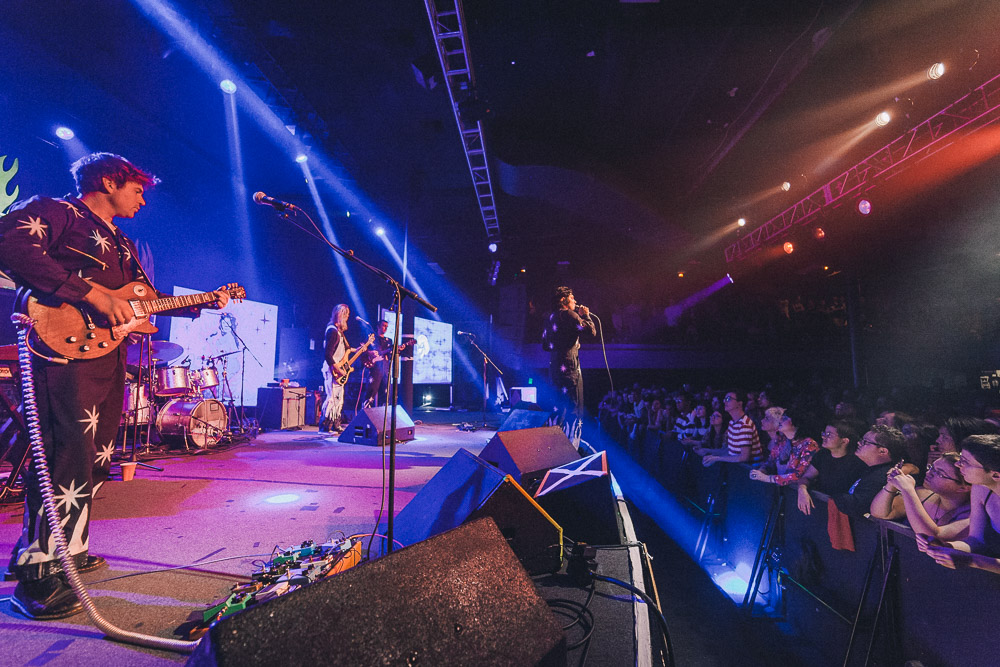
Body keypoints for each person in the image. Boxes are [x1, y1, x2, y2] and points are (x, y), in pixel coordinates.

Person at [0, 152, 230, 619]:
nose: (143, 199)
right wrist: (89, 294)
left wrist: (206, 302)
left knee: (96, 454)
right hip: (62, 347)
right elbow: (8, 242)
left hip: (105, 353)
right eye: (138, 189)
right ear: (109, 180)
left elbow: (144, 301)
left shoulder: (121, 242)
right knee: (63, 451)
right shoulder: (58, 211)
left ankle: (70, 548)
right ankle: (38, 575)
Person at [920, 434, 1000, 575]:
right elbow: (976, 540)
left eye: (966, 462)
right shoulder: (981, 488)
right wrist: (944, 548)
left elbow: (972, 558)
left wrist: (971, 560)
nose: (958, 464)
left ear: (996, 475)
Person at [870, 452, 971, 541]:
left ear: (963, 488)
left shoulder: (969, 515)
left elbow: (930, 538)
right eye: (931, 468)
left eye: (939, 473)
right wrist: (891, 485)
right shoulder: (923, 495)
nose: (928, 473)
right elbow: (880, 514)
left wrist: (908, 491)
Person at [541, 286, 595, 432]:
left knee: (558, 406)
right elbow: (591, 331)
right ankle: (570, 447)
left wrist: (563, 342)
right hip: (570, 368)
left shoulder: (549, 317)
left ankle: (553, 442)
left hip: (555, 368)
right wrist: (586, 315)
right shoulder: (570, 315)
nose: (575, 300)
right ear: (563, 300)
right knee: (574, 407)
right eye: (571, 298)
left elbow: (545, 345)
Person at [831, 424, 906, 518]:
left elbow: (856, 506)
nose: (859, 443)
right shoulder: (869, 469)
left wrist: (833, 493)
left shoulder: (883, 476)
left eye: (865, 442)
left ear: (883, 451)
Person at [796, 420, 868, 515]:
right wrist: (802, 489)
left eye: (829, 435)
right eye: (824, 433)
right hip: (822, 507)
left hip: (845, 513)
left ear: (844, 441)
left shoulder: (857, 462)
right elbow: (807, 477)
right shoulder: (822, 455)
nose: (823, 437)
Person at [748, 409, 819, 486]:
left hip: (797, 493)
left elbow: (799, 476)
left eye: (785, 418)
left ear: (795, 422)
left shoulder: (809, 444)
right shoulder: (782, 440)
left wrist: (768, 478)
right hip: (780, 491)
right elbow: (770, 463)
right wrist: (761, 471)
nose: (780, 420)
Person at [694, 390, 763, 466]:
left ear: (739, 404)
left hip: (749, 470)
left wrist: (717, 458)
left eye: (728, 399)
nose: (724, 402)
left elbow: (744, 457)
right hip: (737, 468)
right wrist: (707, 451)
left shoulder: (745, 425)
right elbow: (730, 451)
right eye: (724, 399)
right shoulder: (732, 423)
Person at [320, 304, 352, 433]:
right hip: (332, 369)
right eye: (346, 315)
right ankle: (325, 425)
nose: (348, 318)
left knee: (339, 398)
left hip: (338, 368)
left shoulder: (340, 333)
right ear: (341, 315)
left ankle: (335, 424)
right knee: (332, 398)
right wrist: (338, 369)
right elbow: (328, 354)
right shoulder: (332, 331)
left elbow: (346, 349)